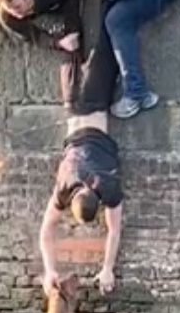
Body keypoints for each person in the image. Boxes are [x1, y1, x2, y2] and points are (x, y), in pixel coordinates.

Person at [38, 101, 125, 297]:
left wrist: (49, 269)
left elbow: (46, 228)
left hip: (91, 122)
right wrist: (107, 268)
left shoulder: (69, 188)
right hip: (77, 119)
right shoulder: (70, 187)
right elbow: (114, 230)